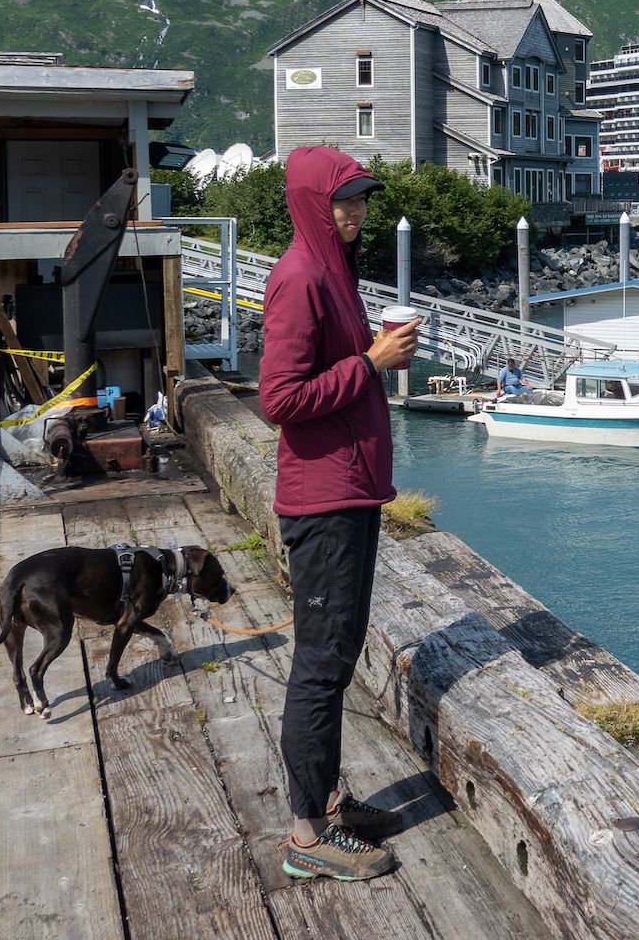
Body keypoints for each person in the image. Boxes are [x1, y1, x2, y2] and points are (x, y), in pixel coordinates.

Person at [259, 146, 418, 882]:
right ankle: (305, 833)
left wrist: (378, 353)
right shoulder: (299, 277)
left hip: (348, 491)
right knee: (320, 666)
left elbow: (340, 371)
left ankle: (324, 797)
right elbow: (279, 401)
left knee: (338, 653)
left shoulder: (334, 269)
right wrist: (370, 365)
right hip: (322, 501)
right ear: (312, 203)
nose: (355, 212)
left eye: (361, 199)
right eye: (343, 200)